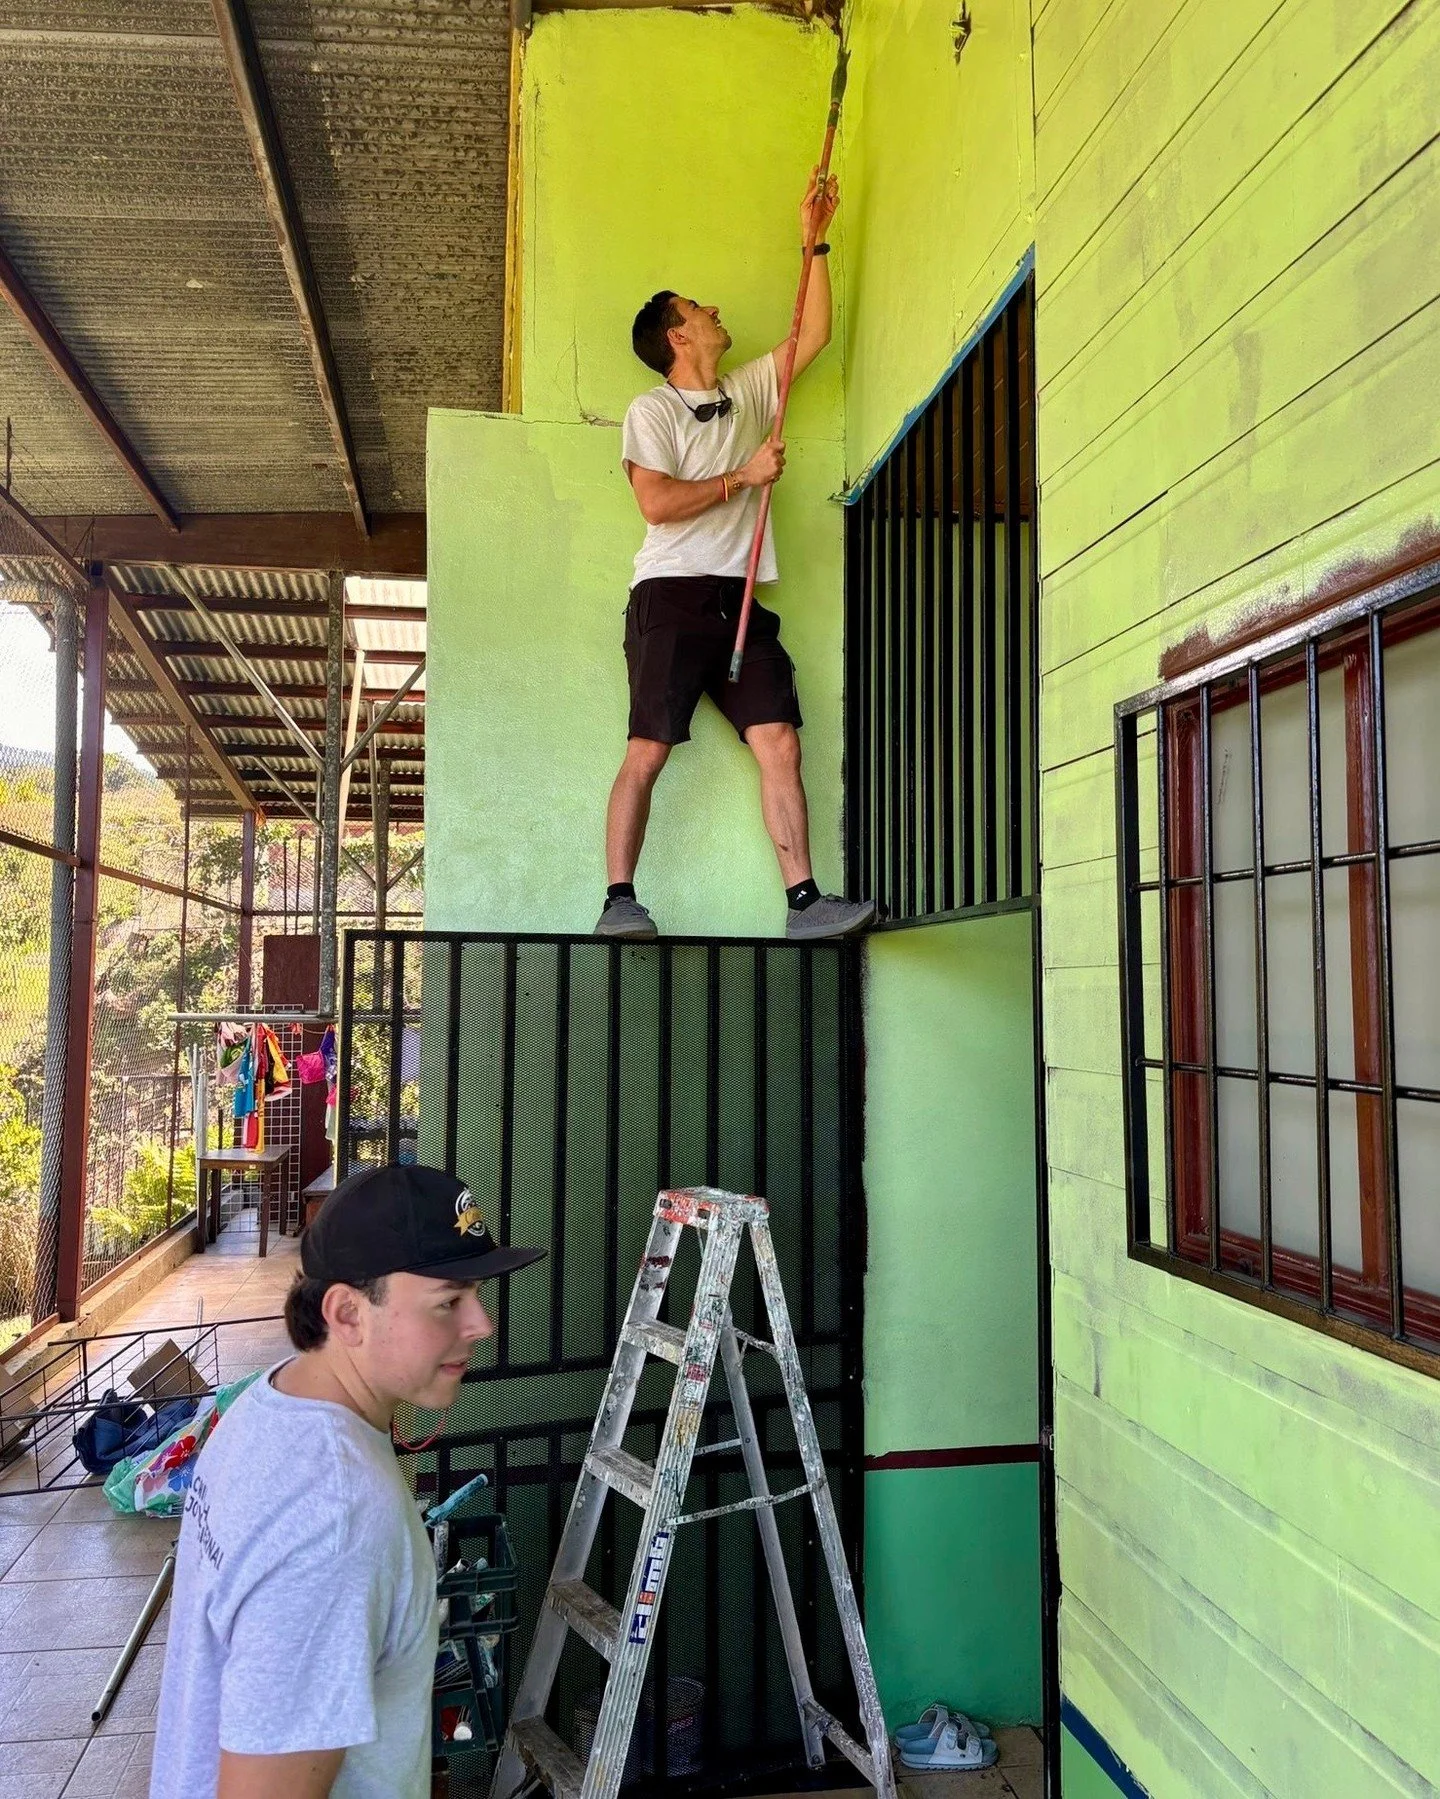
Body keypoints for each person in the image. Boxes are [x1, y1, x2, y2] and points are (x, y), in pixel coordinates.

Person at [151, 1163, 544, 1799]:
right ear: (348, 1313)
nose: (481, 1324)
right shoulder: (336, 1518)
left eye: (474, 1296)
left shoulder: (273, 1400)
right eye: (448, 1301)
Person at [596, 168, 877, 944]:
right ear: (677, 336)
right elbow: (655, 503)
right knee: (648, 748)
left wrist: (813, 237)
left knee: (779, 739)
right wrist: (741, 478)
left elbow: (811, 335)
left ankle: (804, 903)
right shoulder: (651, 410)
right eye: (698, 308)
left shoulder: (749, 391)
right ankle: (620, 898)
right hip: (672, 597)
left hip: (740, 600)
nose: (716, 310)